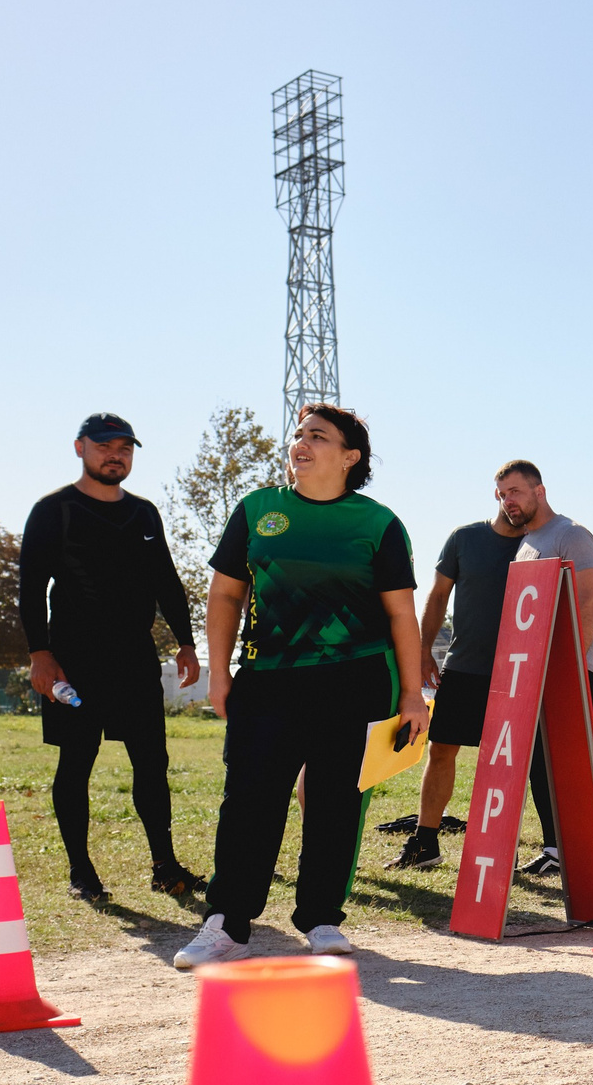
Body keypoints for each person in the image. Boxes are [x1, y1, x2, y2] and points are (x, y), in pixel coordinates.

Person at [173, 405, 427, 968]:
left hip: (356, 679)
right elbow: (225, 596)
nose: (301, 443)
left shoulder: (378, 523)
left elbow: (401, 616)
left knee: (337, 802)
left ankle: (321, 919)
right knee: (248, 801)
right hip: (268, 681)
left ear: (349, 456)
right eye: (298, 434)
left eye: (318, 436)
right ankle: (227, 924)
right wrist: (219, 671)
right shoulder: (257, 510)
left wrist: (412, 694)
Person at [392, 462, 593, 874]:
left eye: (515, 492)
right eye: (502, 494)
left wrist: (569, 665)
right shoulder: (473, 539)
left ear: (538, 491)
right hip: (466, 666)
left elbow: (587, 601)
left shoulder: (559, 536)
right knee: (444, 749)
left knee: (540, 760)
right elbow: (437, 596)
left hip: (525, 672)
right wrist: (425, 651)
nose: (508, 501)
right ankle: (426, 842)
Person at [19, 413, 204, 899]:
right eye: (104, 445)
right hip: (73, 662)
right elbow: (31, 587)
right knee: (77, 761)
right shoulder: (53, 510)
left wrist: (186, 642)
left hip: (135, 660)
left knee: (152, 762)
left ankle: (164, 866)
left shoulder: (143, 513)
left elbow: (166, 580)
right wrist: (40, 654)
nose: (115, 454)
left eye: (125, 447)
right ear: (80, 447)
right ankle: (82, 871)